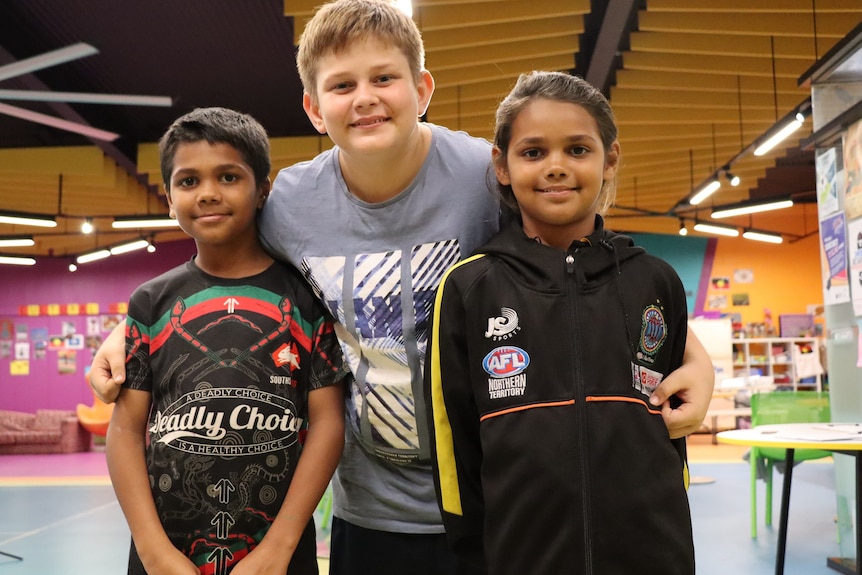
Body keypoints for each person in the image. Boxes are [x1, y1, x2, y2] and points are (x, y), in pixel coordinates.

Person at [92, 2, 714, 573]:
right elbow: (222, 262)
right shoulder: (291, 206)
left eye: (384, 79)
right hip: (372, 508)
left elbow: (586, 269)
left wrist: (693, 356)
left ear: (422, 90)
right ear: (313, 108)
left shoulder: (483, 176)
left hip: (493, 494)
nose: (365, 99)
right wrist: (128, 331)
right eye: (341, 86)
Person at [425, 71, 696, 574]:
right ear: (501, 166)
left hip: (654, 555)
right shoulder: (468, 288)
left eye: (577, 149)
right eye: (532, 152)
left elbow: (675, 434)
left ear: (609, 159)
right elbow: (452, 448)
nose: (555, 167)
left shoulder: (655, 281)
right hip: (520, 558)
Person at [105, 107, 347, 575]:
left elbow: (327, 424)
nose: (208, 194)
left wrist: (279, 547)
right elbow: (126, 430)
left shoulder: (305, 298)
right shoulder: (150, 303)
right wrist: (154, 552)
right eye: (188, 181)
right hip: (165, 556)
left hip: (276, 555)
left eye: (229, 176)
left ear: (263, 190)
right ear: (169, 200)